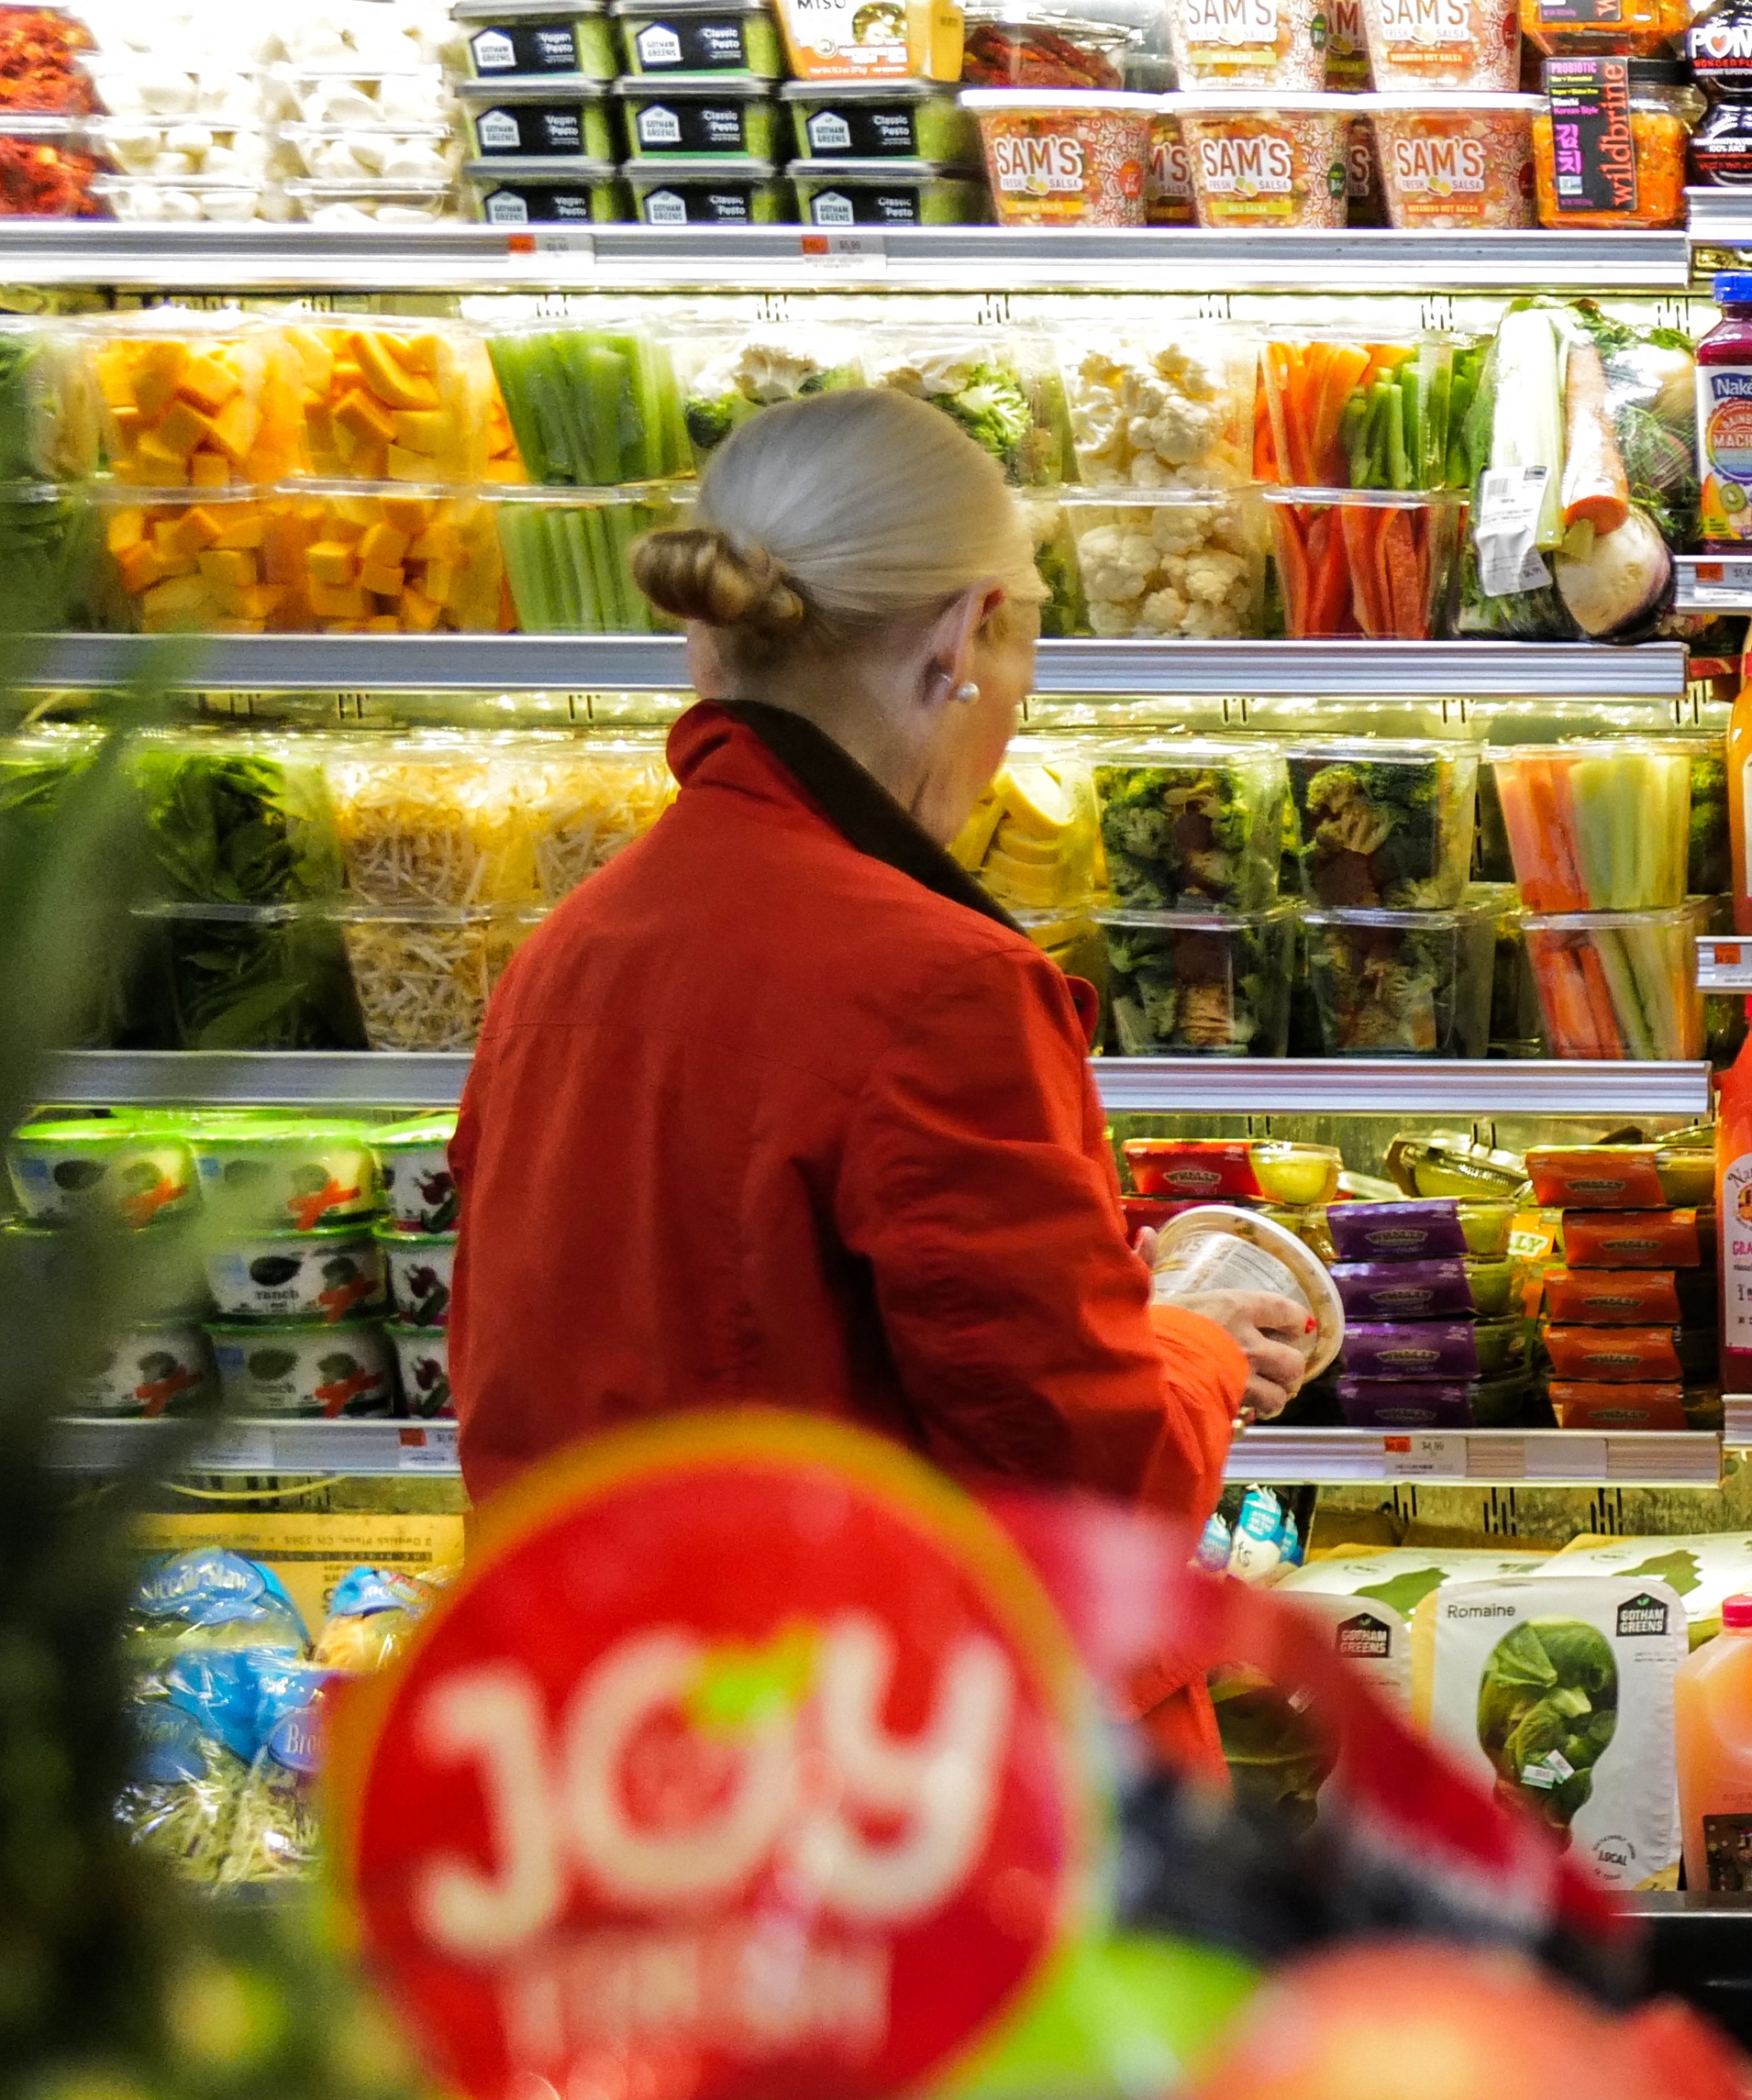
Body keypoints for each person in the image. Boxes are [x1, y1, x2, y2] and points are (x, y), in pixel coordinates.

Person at [448, 387, 1317, 1560]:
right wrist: (1194, 1342)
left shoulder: (572, 946)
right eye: (1027, 649)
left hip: (605, 1685)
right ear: (965, 637)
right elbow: (1098, 1486)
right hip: (865, 1700)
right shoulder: (941, 988)